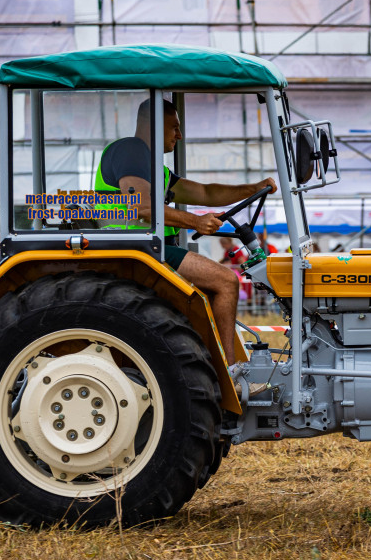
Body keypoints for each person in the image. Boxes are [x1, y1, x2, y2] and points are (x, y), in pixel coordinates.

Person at [94, 98, 276, 364]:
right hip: (138, 248)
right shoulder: (131, 150)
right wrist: (196, 221)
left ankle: (213, 360)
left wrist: (253, 188)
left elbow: (205, 192)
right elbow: (143, 207)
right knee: (226, 281)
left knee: (215, 284)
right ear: (154, 125)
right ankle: (231, 370)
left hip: (152, 247)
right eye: (173, 127)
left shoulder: (154, 168)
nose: (179, 135)